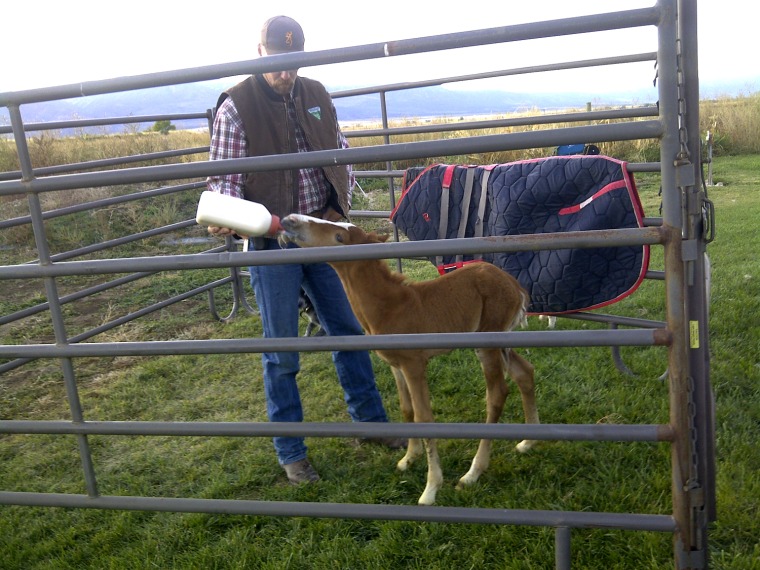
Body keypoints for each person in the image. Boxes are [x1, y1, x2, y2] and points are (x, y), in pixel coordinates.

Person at [205, 15, 404, 485]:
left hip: (323, 233)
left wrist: (339, 206)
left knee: (349, 330)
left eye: (293, 62)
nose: (286, 72)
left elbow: (338, 152)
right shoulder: (236, 107)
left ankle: (371, 423)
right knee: (283, 349)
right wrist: (227, 215)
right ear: (261, 54)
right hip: (272, 239)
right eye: (278, 62)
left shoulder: (317, 94)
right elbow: (225, 181)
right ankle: (291, 450)